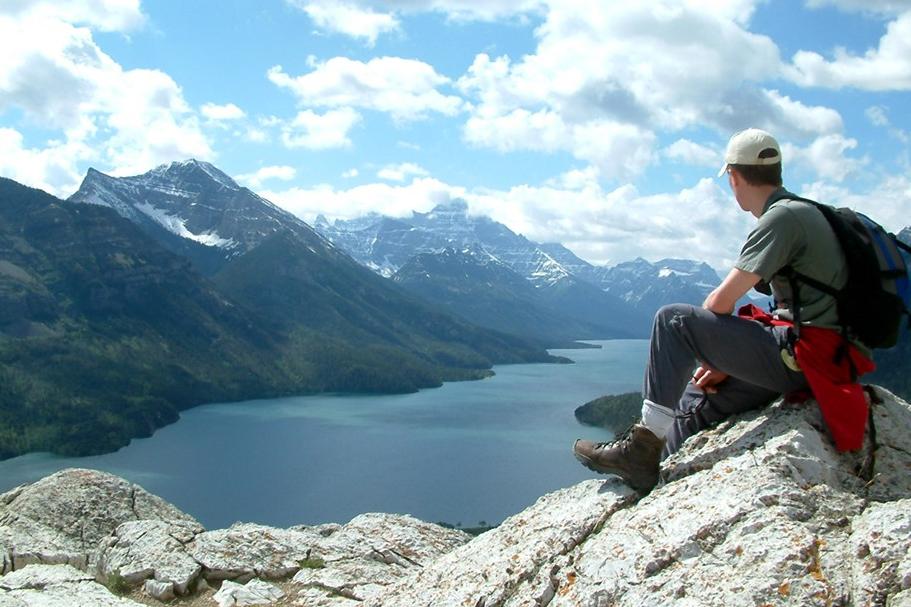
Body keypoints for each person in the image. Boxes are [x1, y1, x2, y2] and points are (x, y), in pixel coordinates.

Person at [573, 128, 872, 493]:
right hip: (826, 361)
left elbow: (719, 304)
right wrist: (723, 361)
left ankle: (639, 450)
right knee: (702, 394)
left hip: (806, 356)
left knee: (673, 320)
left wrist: (714, 353)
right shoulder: (811, 213)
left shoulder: (782, 219)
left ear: (733, 175)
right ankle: (655, 467)